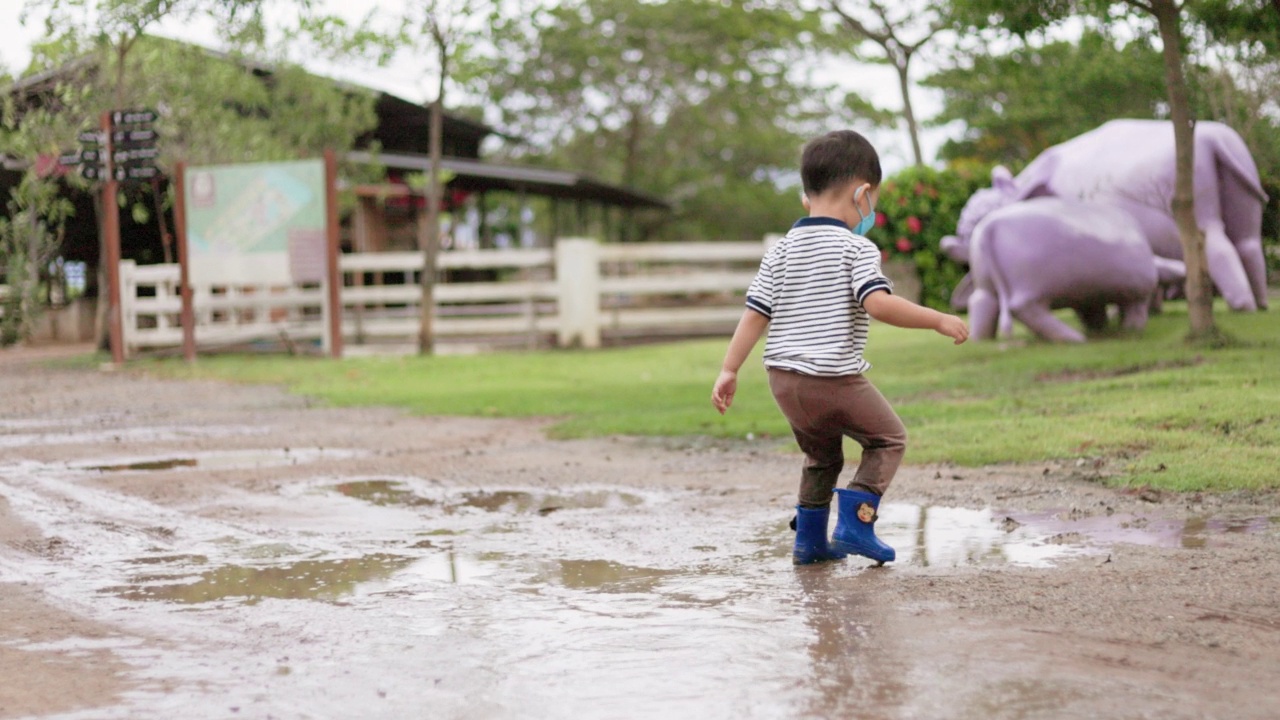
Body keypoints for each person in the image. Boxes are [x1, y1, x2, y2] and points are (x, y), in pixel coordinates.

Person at [711, 129, 969, 566]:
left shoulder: (780, 251)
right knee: (887, 439)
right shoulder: (856, 247)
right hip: (831, 378)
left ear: (805, 197)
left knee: (821, 455)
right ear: (862, 194)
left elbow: (755, 313)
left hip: (782, 382)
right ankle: (857, 523)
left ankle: (810, 543)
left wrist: (729, 369)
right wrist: (938, 319)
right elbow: (879, 304)